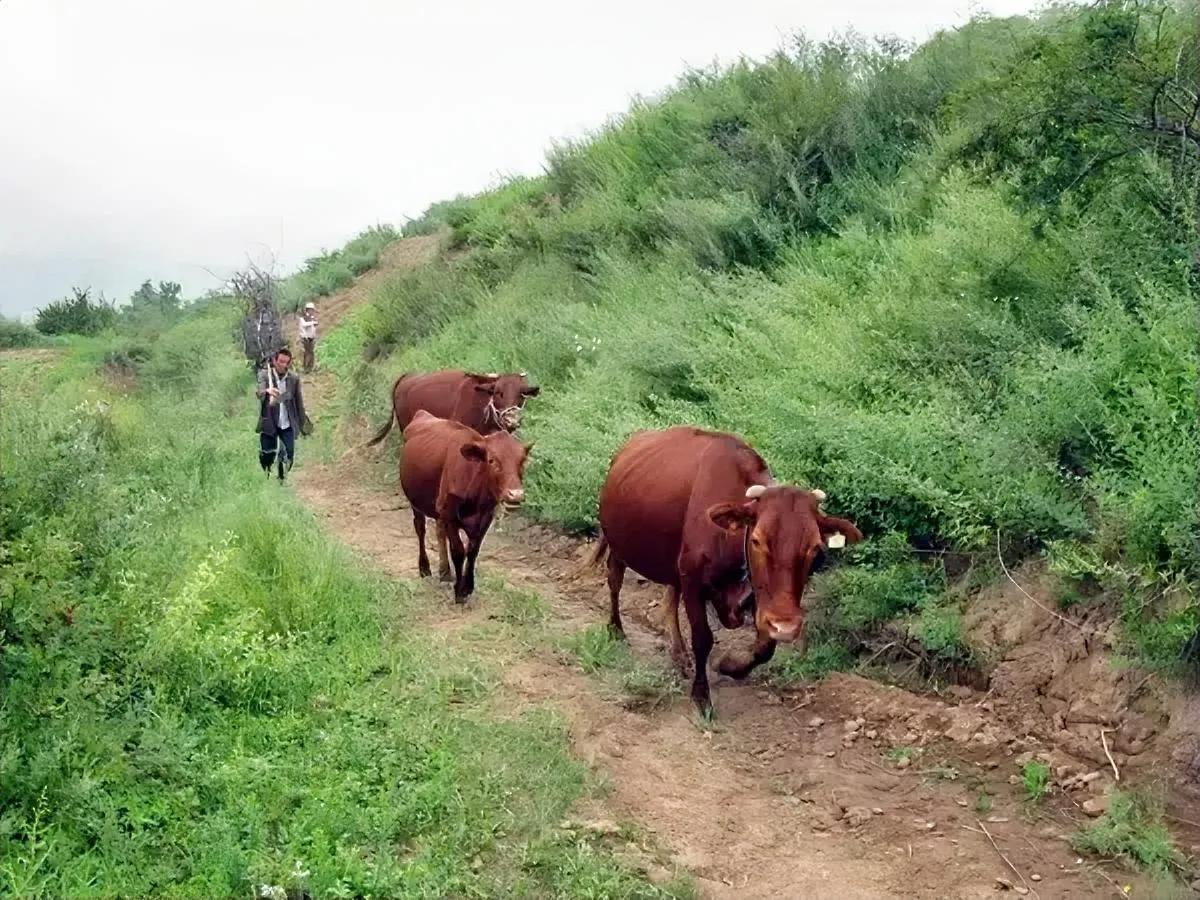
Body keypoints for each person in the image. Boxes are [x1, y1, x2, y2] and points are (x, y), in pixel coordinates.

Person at [255, 348, 310, 481]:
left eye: (286, 362)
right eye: (280, 361)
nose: (283, 365)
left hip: (287, 423)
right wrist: (267, 391)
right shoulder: (264, 375)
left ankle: (281, 479)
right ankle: (266, 474)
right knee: (267, 454)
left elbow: (299, 403)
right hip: (269, 422)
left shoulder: (293, 379)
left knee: (289, 454)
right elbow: (259, 392)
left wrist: (303, 425)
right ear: (274, 361)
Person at [298, 302, 318, 372]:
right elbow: (304, 325)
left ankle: (310, 367)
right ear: (307, 310)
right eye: (311, 310)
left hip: (311, 338)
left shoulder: (312, 318)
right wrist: (313, 322)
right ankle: (306, 368)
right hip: (306, 338)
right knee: (307, 353)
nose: (312, 311)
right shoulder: (303, 318)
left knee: (311, 353)